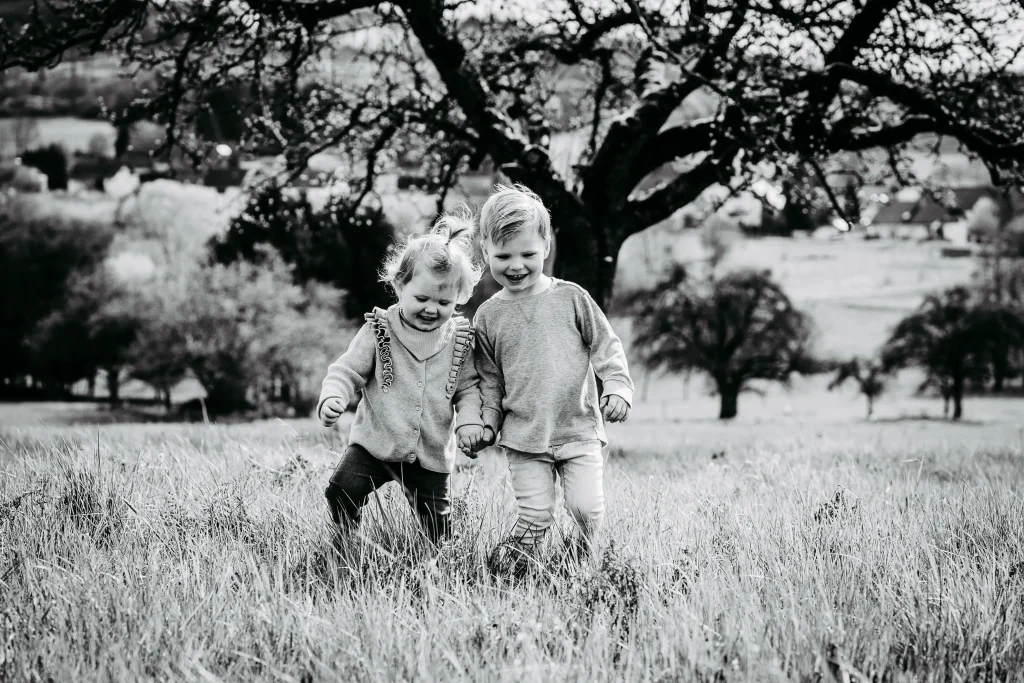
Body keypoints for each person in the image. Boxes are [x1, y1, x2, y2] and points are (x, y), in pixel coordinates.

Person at [474, 184, 633, 557]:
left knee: (586, 509)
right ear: (485, 251)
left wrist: (618, 386)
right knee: (534, 515)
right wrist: (486, 423)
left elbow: (606, 345)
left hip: (577, 426)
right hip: (524, 435)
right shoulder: (488, 316)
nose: (516, 265)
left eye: (528, 253)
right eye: (503, 255)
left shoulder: (571, 297)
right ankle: (512, 569)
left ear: (546, 245)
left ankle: (583, 561)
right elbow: (489, 381)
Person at [317, 208, 487, 543]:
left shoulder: (459, 342)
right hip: (375, 443)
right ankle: (347, 539)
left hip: (431, 452)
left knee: (437, 528)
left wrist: (469, 421)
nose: (430, 308)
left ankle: (434, 565)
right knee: (342, 489)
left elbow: (468, 389)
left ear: (459, 299)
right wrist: (334, 395)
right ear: (399, 286)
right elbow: (347, 369)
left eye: (443, 302)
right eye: (421, 297)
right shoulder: (379, 330)